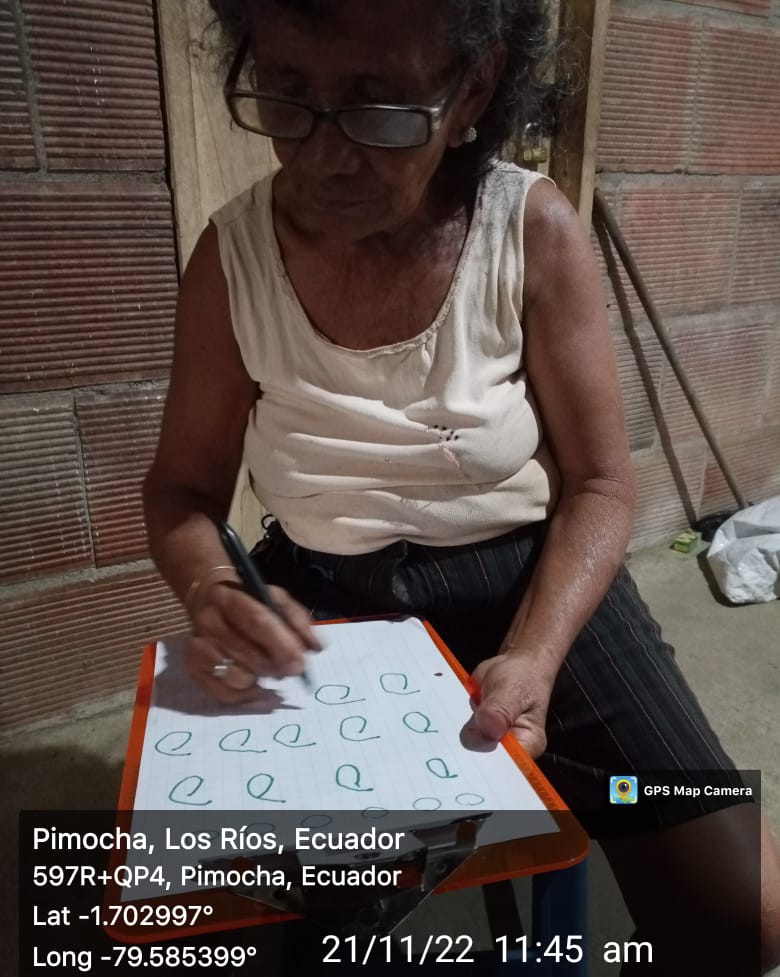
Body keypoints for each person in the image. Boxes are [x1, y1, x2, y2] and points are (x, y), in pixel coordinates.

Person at [143, 1, 780, 972]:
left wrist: (536, 654)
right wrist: (214, 587)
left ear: (472, 90)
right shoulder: (231, 260)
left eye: (379, 106)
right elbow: (182, 492)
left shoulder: (530, 229)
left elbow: (602, 483)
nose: (325, 154)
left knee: (744, 912)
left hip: (534, 584)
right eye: (286, 94)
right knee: (253, 922)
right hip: (328, 603)